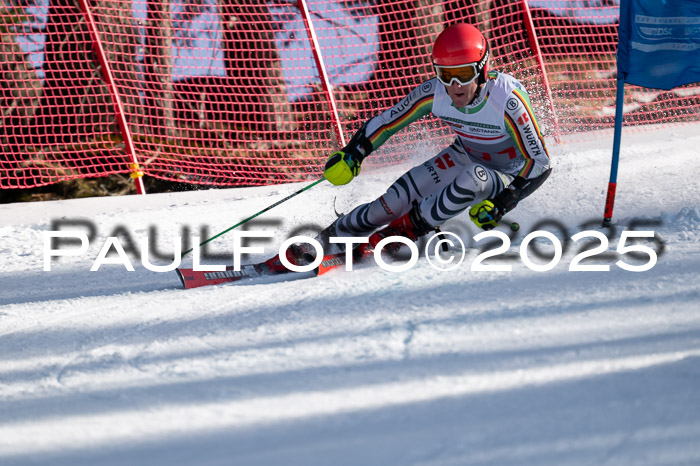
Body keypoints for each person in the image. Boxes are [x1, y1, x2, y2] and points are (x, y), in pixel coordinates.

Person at [270, 22, 552, 270]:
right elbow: (388, 122)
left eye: (464, 74)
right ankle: (330, 238)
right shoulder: (435, 92)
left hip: (503, 175)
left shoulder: (507, 99)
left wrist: (504, 201)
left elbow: (539, 162)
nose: (455, 85)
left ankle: (402, 232)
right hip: (464, 155)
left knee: (472, 178)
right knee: (390, 203)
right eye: (445, 73)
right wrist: (355, 152)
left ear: (482, 69)